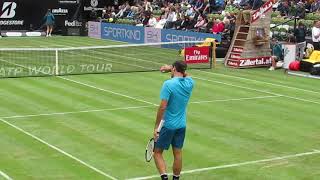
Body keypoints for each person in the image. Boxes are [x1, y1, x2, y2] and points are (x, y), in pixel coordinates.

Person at [154, 61, 195, 180]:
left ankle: (165, 178)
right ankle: (176, 178)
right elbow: (185, 74)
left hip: (168, 125)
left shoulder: (168, 84)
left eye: (172, 68)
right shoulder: (190, 82)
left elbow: (162, 107)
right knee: (178, 153)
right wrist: (172, 69)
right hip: (181, 125)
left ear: (174, 69)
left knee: (157, 153)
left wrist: (157, 127)